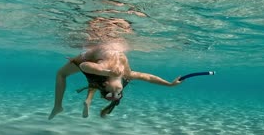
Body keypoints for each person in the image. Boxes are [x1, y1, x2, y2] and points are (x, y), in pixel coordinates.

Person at [49, 42, 182, 120]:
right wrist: (169, 84)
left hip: (87, 56)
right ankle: (58, 107)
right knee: (61, 74)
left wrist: (105, 71)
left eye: (110, 94)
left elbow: (84, 66)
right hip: (110, 46)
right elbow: (148, 78)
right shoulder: (126, 74)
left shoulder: (105, 68)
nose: (116, 93)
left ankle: (57, 106)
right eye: (119, 95)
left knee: (60, 73)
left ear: (105, 84)